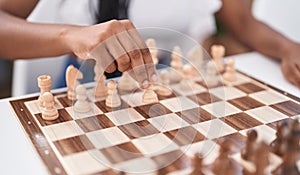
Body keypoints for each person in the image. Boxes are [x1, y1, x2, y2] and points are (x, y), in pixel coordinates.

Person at [0, 0, 299, 88]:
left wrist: (288, 47)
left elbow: (243, 23)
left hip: (187, 85)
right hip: (93, 85)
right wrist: (71, 35)